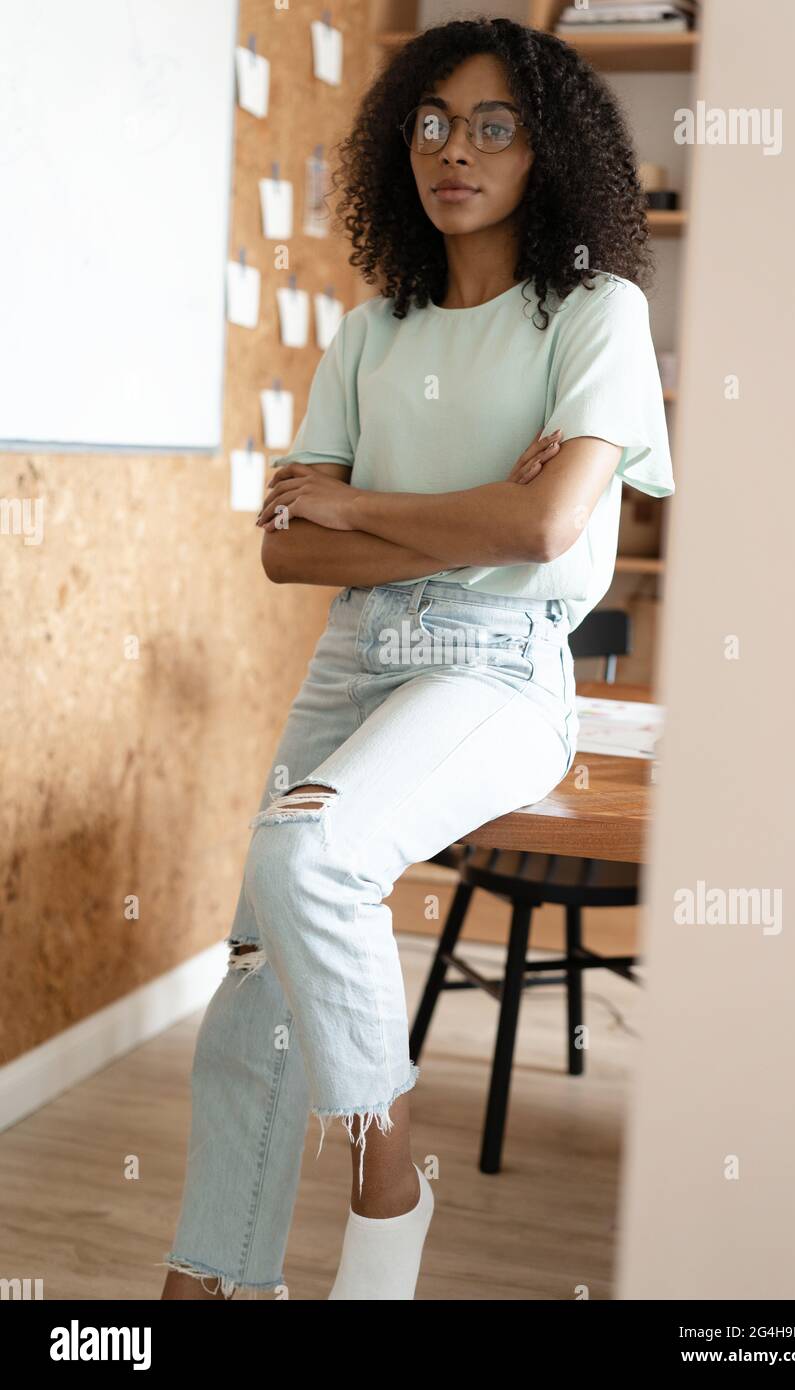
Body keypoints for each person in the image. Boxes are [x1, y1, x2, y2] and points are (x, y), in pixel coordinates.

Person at [158, 15, 674, 1301]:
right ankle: (212, 1281)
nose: (455, 148)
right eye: (432, 121)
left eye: (493, 123)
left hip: (498, 668)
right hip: (353, 660)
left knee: (306, 852)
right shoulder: (371, 330)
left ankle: (386, 1193)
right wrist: (449, 520)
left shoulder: (595, 315)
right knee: (255, 980)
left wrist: (355, 505)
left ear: (543, 147)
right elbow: (287, 556)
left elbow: (548, 529)